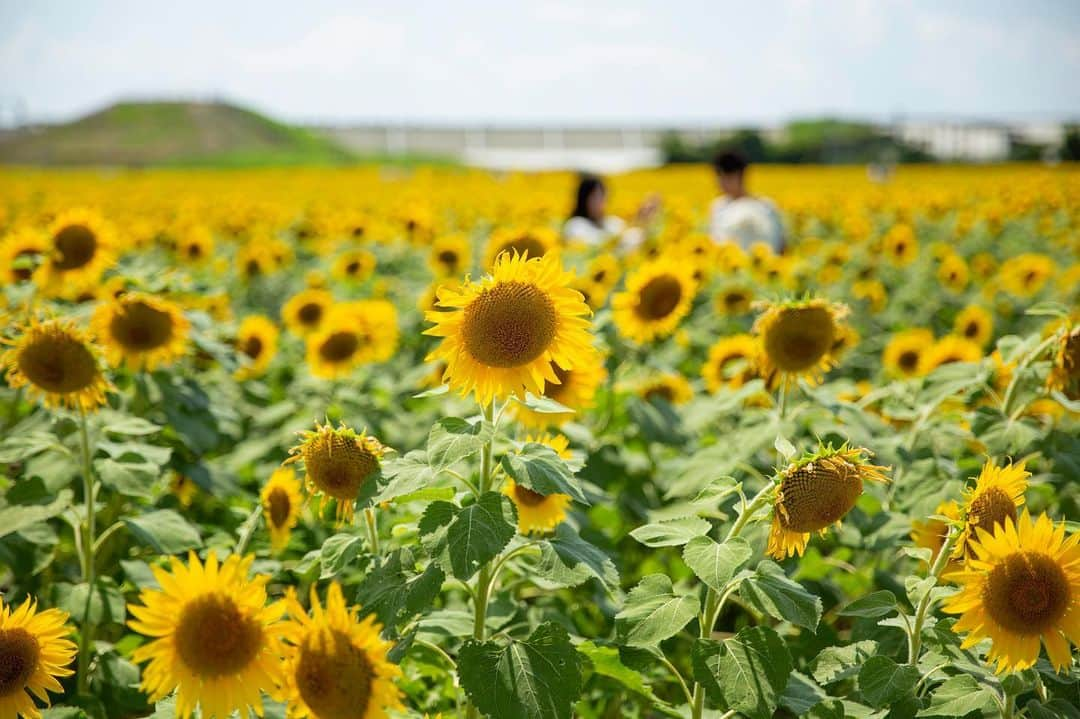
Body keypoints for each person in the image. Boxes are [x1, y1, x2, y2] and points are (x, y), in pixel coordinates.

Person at [709, 150, 785, 254]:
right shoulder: (718, 206)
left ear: (741, 176)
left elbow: (780, 245)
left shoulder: (766, 206)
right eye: (719, 177)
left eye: (728, 177)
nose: (722, 183)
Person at [563, 174, 658, 252]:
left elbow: (632, 237)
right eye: (595, 196)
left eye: (602, 196)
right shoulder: (575, 225)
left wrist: (644, 220)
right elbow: (594, 246)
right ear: (583, 199)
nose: (600, 201)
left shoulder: (613, 222)